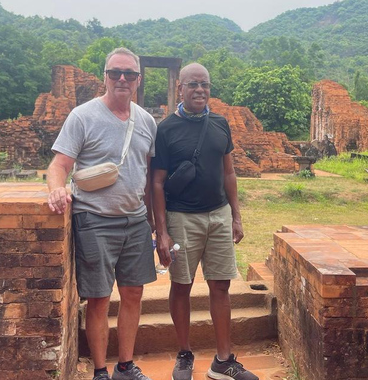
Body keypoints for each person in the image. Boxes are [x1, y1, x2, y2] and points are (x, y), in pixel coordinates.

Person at [47, 47, 157, 380]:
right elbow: (60, 164)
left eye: (129, 74)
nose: (122, 79)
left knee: (134, 292)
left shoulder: (147, 121)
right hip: (94, 219)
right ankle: (100, 370)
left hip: (135, 218)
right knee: (98, 297)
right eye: (115, 73)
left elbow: (150, 176)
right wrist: (56, 188)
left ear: (138, 80)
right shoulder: (83, 116)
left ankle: (125, 364)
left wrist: (155, 225)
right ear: (105, 76)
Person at [152, 63, 258, 380]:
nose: (200, 89)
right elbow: (156, 183)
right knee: (181, 285)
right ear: (179, 89)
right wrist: (162, 232)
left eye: (205, 84)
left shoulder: (220, 124)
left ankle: (223, 361)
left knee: (221, 286)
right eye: (193, 84)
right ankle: (184, 354)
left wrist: (236, 216)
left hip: (219, 215)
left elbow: (228, 172)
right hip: (182, 217)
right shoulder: (166, 128)